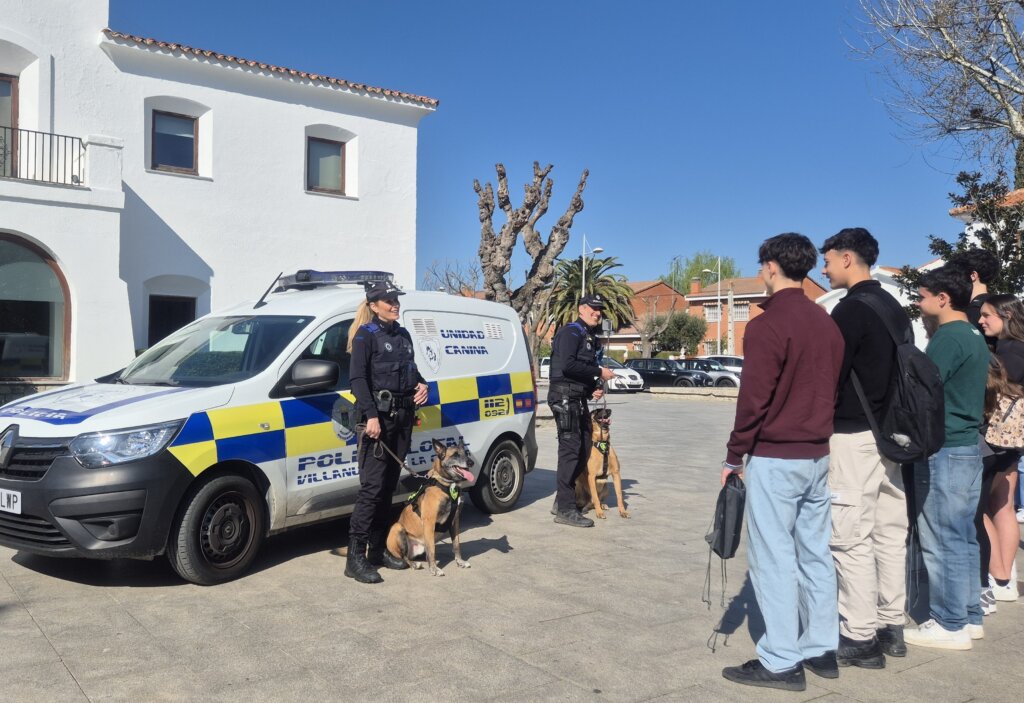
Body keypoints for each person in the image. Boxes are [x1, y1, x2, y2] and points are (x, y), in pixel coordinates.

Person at [719, 233, 844, 692]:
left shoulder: (767, 325)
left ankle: (781, 660)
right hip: (817, 453)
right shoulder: (826, 323)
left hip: (776, 455)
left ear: (772, 266)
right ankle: (821, 646)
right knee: (815, 552)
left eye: (761, 266)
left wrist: (734, 455)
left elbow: (753, 399)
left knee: (773, 557)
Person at [819, 227, 911, 667]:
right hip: (891, 435)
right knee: (889, 533)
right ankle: (892, 625)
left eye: (828, 261)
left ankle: (859, 636)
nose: (824, 269)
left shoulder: (850, 310)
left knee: (850, 537)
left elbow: (830, 376)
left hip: (854, 435)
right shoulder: (894, 308)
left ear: (847, 258)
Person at [905, 266, 989, 649]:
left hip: (946, 446)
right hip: (967, 445)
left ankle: (949, 622)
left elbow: (922, 390)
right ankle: (968, 616)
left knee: (941, 538)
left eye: (922, 296)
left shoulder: (949, 337)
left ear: (942, 298)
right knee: (963, 536)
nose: (918, 302)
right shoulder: (973, 333)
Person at [344, 280, 429, 584]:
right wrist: (371, 416)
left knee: (388, 488)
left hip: (402, 420)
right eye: (389, 301)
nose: (395, 305)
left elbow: (411, 371)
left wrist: (423, 385)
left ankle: (377, 550)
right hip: (377, 421)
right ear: (374, 305)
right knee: (372, 490)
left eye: (396, 300)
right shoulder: (366, 335)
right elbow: (358, 380)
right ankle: (355, 558)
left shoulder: (403, 335)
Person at [548, 293, 616, 528]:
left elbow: (580, 370)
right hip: (564, 398)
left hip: (577, 399)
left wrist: (592, 389)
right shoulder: (571, 332)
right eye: (593, 308)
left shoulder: (588, 336)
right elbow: (568, 365)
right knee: (570, 451)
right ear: (581, 309)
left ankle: (562, 499)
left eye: (600, 309)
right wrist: (599, 371)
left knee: (585, 448)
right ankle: (565, 509)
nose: (597, 313)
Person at [976, 294, 1024, 605]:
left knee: (979, 509)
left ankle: (995, 575)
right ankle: (1005, 580)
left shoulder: (1007, 351)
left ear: (1006, 316)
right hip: (1014, 440)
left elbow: (995, 390)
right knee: (1004, 505)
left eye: (986, 315)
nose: (981, 321)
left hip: (995, 438)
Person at [949, 248, 999, 337]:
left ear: (973, 275)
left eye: (959, 275)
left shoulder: (974, 310)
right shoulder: (1000, 303)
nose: (956, 280)